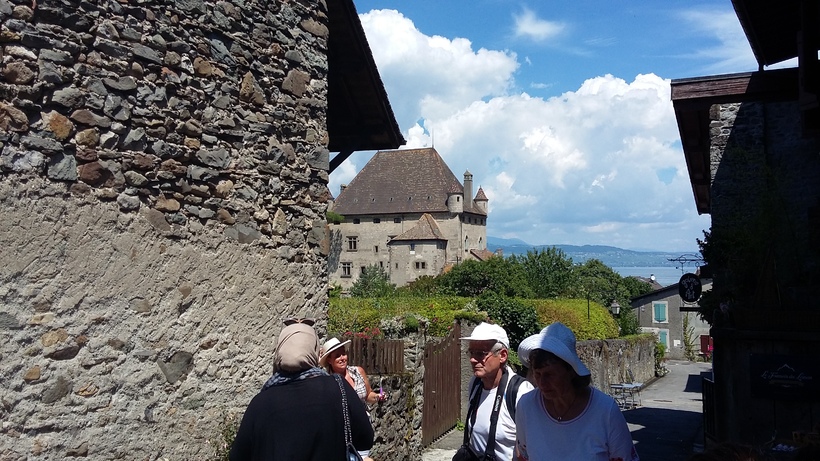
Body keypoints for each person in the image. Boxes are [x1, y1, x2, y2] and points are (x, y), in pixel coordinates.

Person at [230, 321, 373, 461]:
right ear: (314, 350)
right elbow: (365, 437)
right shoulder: (338, 387)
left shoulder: (260, 402)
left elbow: (238, 456)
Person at [515, 322, 639, 461]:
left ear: (571, 371)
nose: (542, 383)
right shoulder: (526, 406)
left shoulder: (605, 410)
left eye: (550, 374)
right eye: (537, 374)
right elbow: (522, 456)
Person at [459, 322, 534, 461]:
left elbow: (533, 446)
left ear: (503, 355)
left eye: (481, 354)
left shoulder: (520, 391)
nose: (473, 359)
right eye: (471, 352)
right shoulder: (475, 385)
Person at [320, 337, 386, 461]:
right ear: (329, 360)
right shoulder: (328, 381)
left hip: (362, 426)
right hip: (342, 430)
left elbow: (367, 395)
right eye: (337, 356)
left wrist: (378, 397)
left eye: (343, 354)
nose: (342, 358)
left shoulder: (358, 372)